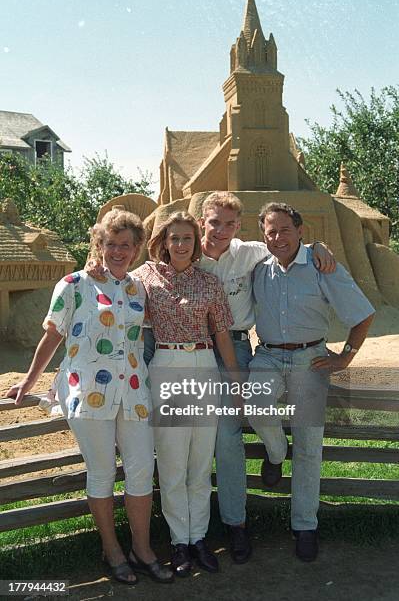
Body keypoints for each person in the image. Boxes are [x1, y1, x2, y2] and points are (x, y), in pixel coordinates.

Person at [143, 191, 336, 564]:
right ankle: (210, 528)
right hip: (190, 352)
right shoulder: (184, 254)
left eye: (230, 224)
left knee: (229, 432)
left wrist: (317, 246)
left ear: (238, 227)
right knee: (207, 437)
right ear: (203, 222)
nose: (221, 230)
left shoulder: (249, 252)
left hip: (236, 347)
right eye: (215, 222)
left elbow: (285, 244)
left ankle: (233, 522)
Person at [6, 209, 173, 585]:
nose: (118, 251)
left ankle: (142, 549)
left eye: (125, 245)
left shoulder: (137, 287)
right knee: (101, 473)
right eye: (111, 244)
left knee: (142, 469)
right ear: (99, 244)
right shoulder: (73, 284)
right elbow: (52, 337)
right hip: (88, 389)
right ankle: (112, 551)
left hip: (132, 390)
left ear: (136, 249)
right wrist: (30, 381)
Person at [247, 201, 375, 562]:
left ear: (300, 231)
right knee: (255, 404)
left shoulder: (323, 266)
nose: (277, 237)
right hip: (268, 355)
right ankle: (275, 452)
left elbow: (363, 314)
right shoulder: (259, 269)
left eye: (284, 229)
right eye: (270, 231)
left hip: (310, 358)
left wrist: (346, 355)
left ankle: (304, 526)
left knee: (308, 445)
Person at [132, 211, 239, 577]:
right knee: (174, 462)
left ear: (196, 244)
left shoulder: (209, 283)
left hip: (204, 364)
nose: (180, 244)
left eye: (187, 239)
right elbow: (114, 290)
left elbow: (223, 333)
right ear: (163, 241)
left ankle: (199, 539)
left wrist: (236, 381)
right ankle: (179, 542)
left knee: (199, 461)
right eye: (174, 238)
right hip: (166, 364)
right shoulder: (144, 278)